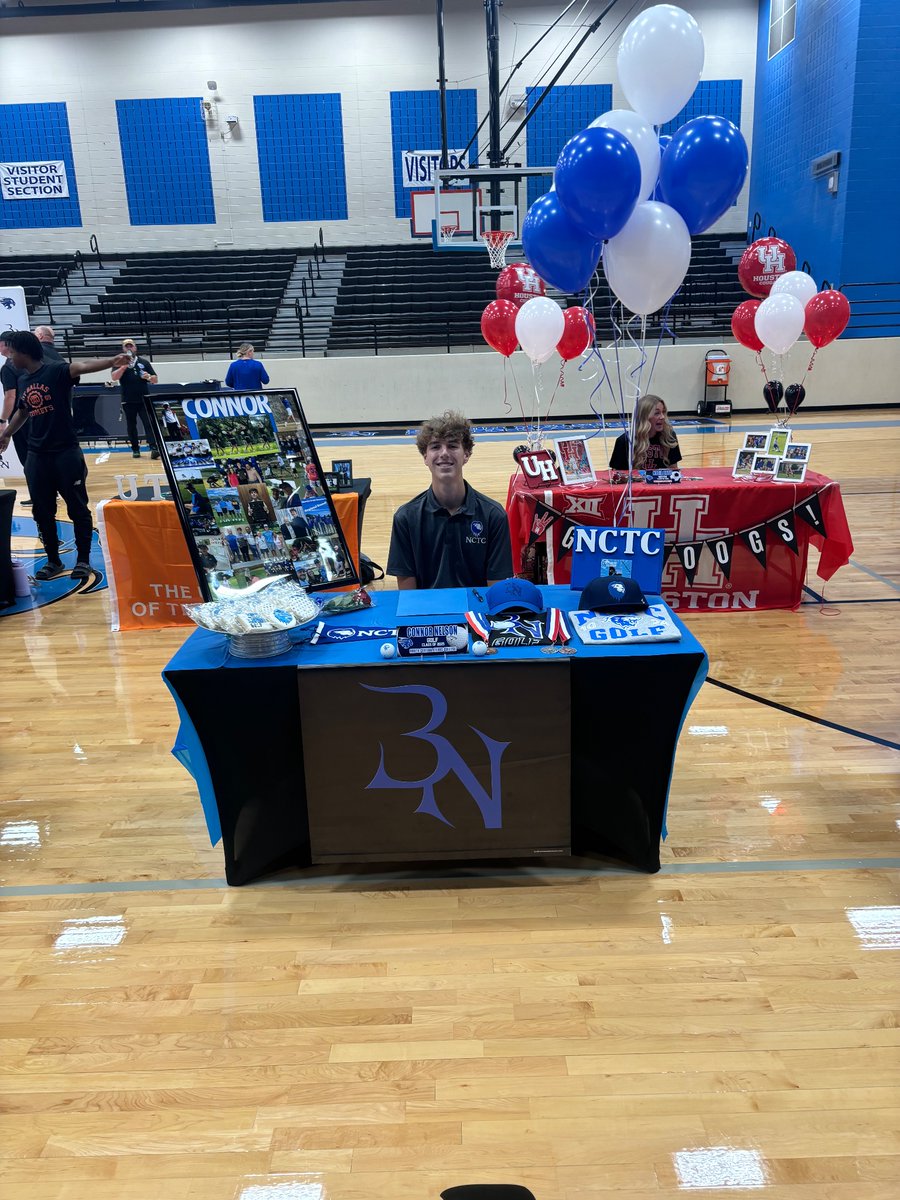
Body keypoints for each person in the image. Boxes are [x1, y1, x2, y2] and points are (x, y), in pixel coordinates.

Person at [0, 330, 131, 581]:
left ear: (24, 352)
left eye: (13, 352)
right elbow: (23, 411)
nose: (10, 357)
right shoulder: (23, 380)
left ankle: (83, 560)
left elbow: (83, 366)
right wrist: (6, 433)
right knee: (42, 511)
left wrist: (111, 362)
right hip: (37, 456)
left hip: (65, 453)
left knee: (78, 509)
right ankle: (53, 560)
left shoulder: (56, 371)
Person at [387, 409, 513, 590]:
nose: (444, 453)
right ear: (425, 457)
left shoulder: (494, 516)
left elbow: (495, 589)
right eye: (435, 446)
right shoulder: (405, 518)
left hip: (475, 615)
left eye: (453, 446)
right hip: (428, 616)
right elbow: (408, 596)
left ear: (466, 454)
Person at [110, 337, 159, 460]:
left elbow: (155, 380)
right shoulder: (118, 363)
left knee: (148, 424)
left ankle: (154, 448)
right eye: (126, 346)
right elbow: (114, 378)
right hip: (128, 400)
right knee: (131, 426)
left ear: (135, 348)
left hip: (144, 399)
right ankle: (135, 449)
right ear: (123, 349)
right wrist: (124, 366)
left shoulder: (144, 362)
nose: (129, 348)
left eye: (131, 346)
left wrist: (148, 377)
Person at [609, 394, 682, 472]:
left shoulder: (669, 437)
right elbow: (617, 475)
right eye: (657, 413)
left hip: (662, 483)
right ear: (644, 417)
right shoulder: (624, 441)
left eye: (663, 412)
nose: (662, 417)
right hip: (636, 483)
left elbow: (674, 470)